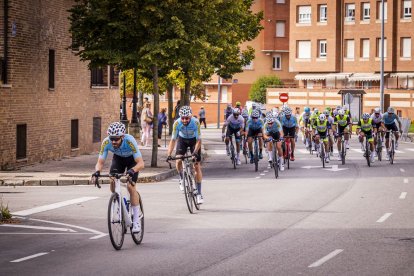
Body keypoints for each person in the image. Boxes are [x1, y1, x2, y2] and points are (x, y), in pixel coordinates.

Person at [91, 122, 145, 233]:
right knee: (112, 181)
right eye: (112, 139)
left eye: (116, 139)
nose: (114, 142)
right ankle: (120, 202)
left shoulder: (130, 141)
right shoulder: (106, 142)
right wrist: (96, 171)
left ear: (122, 136)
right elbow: (100, 162)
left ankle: (136, 221)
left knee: (131, 187)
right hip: (118, 159)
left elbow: (141, 163)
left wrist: (132, 170)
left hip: (132, 161)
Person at [167, 106, 204, 204]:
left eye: (186, 118)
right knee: (178, 159)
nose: (184, 120)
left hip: (194, 141)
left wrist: (195, 152)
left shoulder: (196, 122)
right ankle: (181, 178)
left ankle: (199, 194)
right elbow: (173, 140)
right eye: (182, 118)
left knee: (196, 166)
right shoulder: (177, 123)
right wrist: (169, 154)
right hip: (182, 140)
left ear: (190, 116)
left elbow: (199, 140)